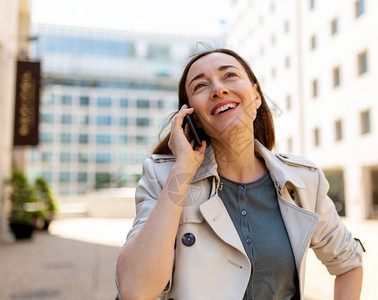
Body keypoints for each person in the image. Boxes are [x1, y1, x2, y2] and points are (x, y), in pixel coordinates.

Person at [115, 48, 364, 300]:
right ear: (193, 118)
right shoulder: (162, 176)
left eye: (230, 75)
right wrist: (182, 170)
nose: (218, 89)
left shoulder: (304, 181)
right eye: (200, 85)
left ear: (256, 96)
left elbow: (349, 263)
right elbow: (136, 290)